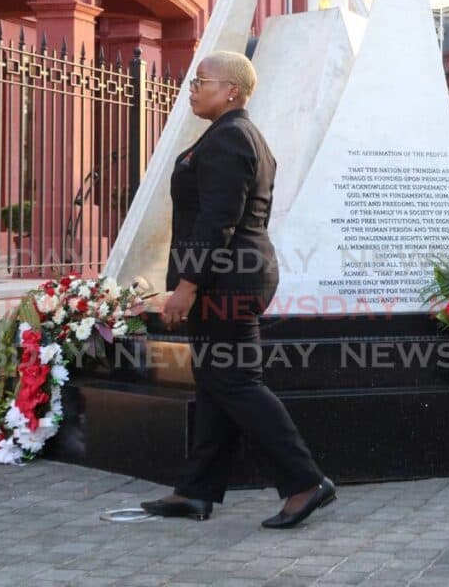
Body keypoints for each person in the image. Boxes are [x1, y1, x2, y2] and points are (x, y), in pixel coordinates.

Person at [140, 51, 335, 528]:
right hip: (231, 275)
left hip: (226, 279)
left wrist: (186, 287)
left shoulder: (229, 139)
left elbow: (217, 222)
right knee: (214, 385)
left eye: (200, 80)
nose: (192, 88)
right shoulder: (231, 135)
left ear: (232, 90)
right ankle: (195, 492)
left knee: (234, 381)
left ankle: (305, 481)